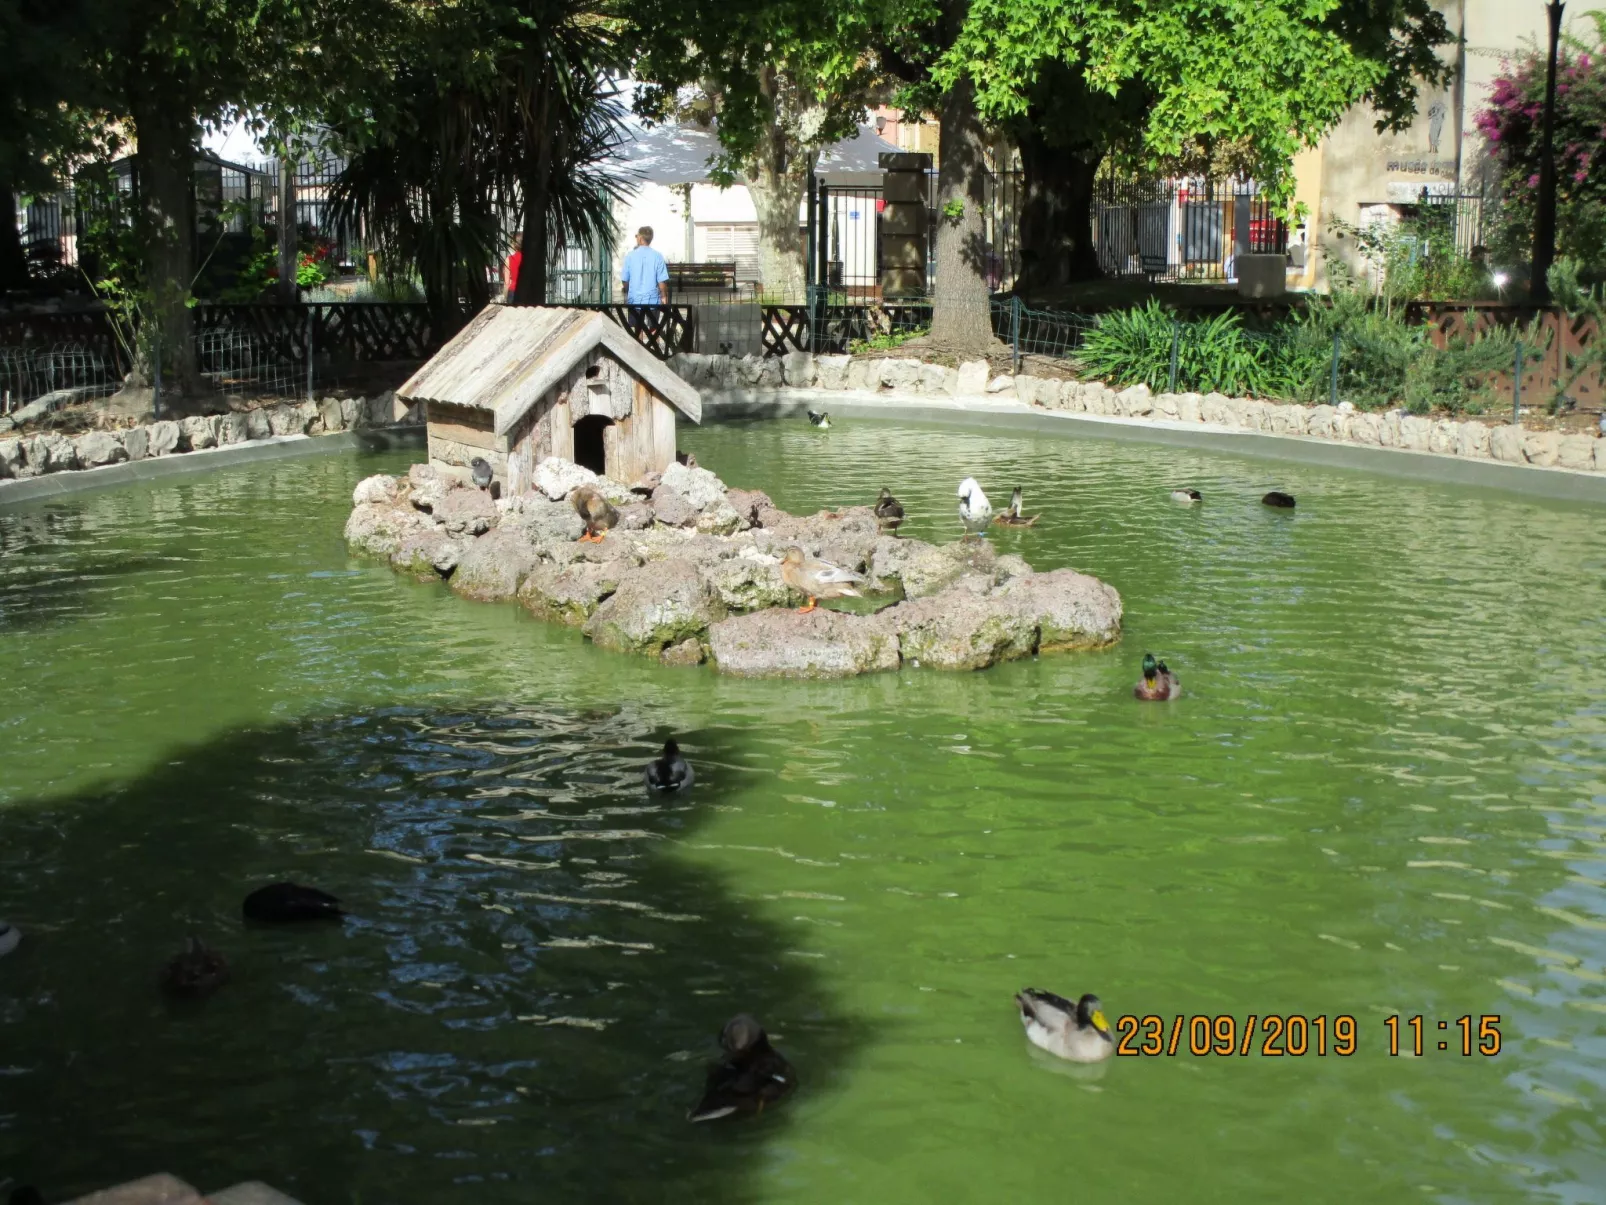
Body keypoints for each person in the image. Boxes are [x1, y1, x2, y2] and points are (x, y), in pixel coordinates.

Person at [619, 226, 669, 337]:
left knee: (637, 329)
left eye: (637, 236)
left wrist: (629, 291)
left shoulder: (630, 256)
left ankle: (638, 352)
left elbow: (625, 280)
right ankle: (656, 352)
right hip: (653, 299)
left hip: (635, 299)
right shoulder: (658, 256)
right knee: (654, 328)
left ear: (640, 238)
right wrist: (664, 297)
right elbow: (662, 282)